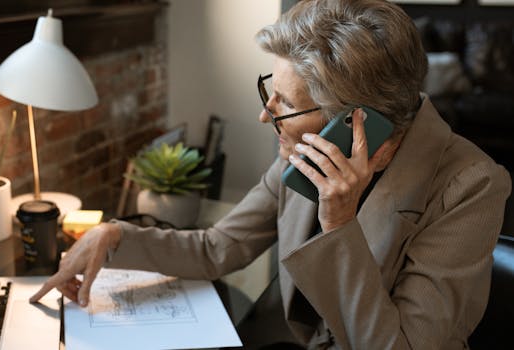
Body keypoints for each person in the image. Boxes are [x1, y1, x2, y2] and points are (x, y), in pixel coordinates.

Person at [30, 0, 512, 348]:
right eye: (270, 91)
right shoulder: (302, 149)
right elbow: (220, 248)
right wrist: (113, 237)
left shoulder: (471, 185)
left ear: (353, 123)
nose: (267, 116)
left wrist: (339, 223)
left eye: (286, 105)